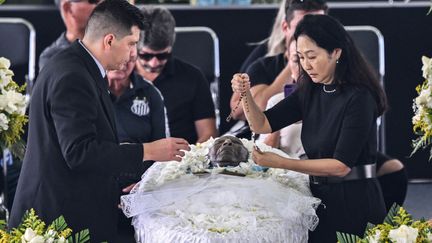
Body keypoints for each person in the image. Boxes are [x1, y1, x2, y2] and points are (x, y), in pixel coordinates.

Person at [10, 1, 189, 242]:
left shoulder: (78, 66)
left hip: (70, 211)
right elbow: (79, 152)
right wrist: (148, 150)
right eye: (131, 44)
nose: (132, 54)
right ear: (109, 40)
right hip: (57, 219)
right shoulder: (73, 76)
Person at [231, 14, 387, 242]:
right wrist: (245, 94)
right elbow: (262, 124)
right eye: (300, 57)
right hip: (319, 199)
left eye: (312, 56)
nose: (306, 65)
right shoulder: (311, 89)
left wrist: (282, 163)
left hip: (355, 202)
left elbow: (340, 165)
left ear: (336, 52)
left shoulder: (360, 97)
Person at [107, 48, 168, 243]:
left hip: (139, 184)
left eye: (130, 59)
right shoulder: (90, 91)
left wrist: (146, 184)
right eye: (119, 58)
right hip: (98, 182)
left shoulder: (150, 94)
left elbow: (162, 151)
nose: (123, 64)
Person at [229, 0, 328, 122]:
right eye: (301, 28)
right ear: (285, 27)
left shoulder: (337, 63)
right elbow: (258, 108)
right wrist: (294, 61)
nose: (310, 35)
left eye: (319, 27)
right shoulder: (264, 64)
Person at [135, 6, 218, 144]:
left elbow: (209, 134)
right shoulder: (118, 77)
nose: (154, 63)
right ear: (134, 45)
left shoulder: (193, 77)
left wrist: (189, 159)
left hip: (181, 159)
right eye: (146, 55)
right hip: (132, 159)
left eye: (163, 55)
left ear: (172, 45)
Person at [38, 0, 102, 71]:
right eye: (94, 1)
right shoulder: (53, 58)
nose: (103, 5)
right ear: (68, 8)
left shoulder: (111, 44)